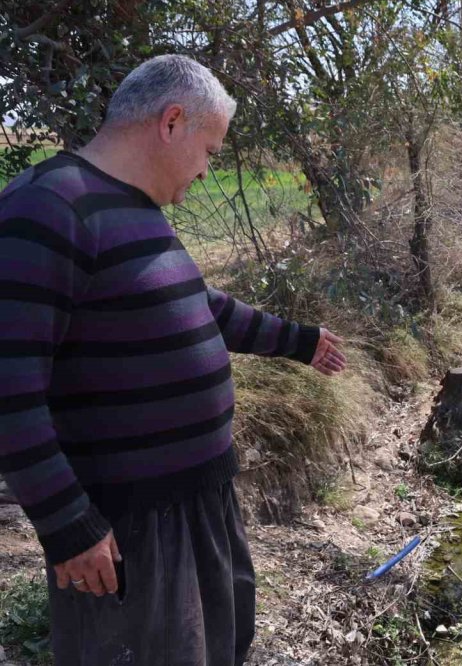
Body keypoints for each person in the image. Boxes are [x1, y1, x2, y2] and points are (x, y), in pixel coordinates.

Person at [0, 54, 347, 665]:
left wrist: (299, 342)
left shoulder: (135, 209)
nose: (207, 166)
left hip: (200, 504)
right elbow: (10, 386)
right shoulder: (46, 208)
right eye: (209, 149)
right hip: (129, 530)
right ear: (172, 122)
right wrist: (68, 525)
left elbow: (198, 306)